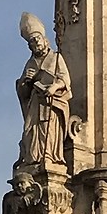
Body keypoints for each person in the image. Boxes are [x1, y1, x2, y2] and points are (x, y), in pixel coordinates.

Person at [16, 14, 71, 170]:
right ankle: (33, 158)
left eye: (37, 39)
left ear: (45, 40)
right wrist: (25, 82)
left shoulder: (56, 58)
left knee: (49, 129)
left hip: (51, 102)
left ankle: (49, 156)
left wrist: (54, 87)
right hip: (35, 103)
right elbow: (23, 92)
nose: (35, 43)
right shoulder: (30, 63)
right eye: (32, 42)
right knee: (30, 130)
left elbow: (65, 79)